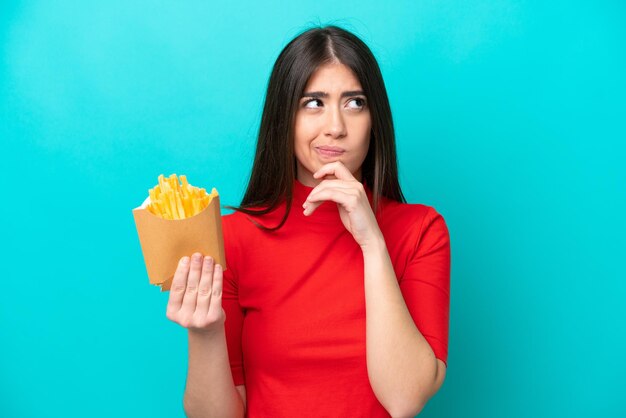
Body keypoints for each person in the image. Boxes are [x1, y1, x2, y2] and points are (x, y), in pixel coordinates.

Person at [166, 25, 450, 418]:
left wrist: (372, 244)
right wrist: (204, 333)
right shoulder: (232, 239)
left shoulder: (420, 230)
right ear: (285, 117)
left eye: (355, 103)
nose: (335, 125)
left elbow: (404, 400)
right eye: (313, 102)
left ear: (375, 119)